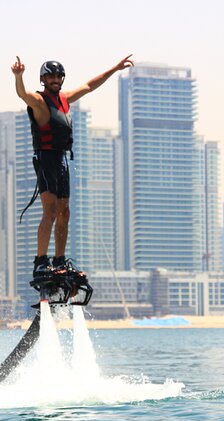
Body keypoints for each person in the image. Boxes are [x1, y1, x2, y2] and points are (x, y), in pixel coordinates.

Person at [11, 55, 134, 278]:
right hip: (45, 158)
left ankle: (59, 260)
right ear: (43, 79)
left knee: (64, 212)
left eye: (59, 76)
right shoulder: (39, 101)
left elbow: (89, 85)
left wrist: (115, 68)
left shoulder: (65, 98)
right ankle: (41, 261)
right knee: (49, 210)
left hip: (61, 159)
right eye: (50, 76)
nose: (55, 79)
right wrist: (19, 77)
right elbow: (22, 94)